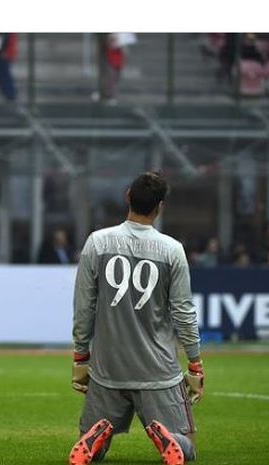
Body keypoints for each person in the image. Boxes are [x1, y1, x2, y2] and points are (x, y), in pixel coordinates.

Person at [68, 172, 203, 465]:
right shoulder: (172, 250)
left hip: (108, 370)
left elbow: (83, 306)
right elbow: (183, 313)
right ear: (160, 207)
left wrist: (81, 357)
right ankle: (169, 437)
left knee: (92, 449)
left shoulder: (97, 242)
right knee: (186, 447)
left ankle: (97, 438)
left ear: (127, 196)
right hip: (158, 373)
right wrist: (194, 363)